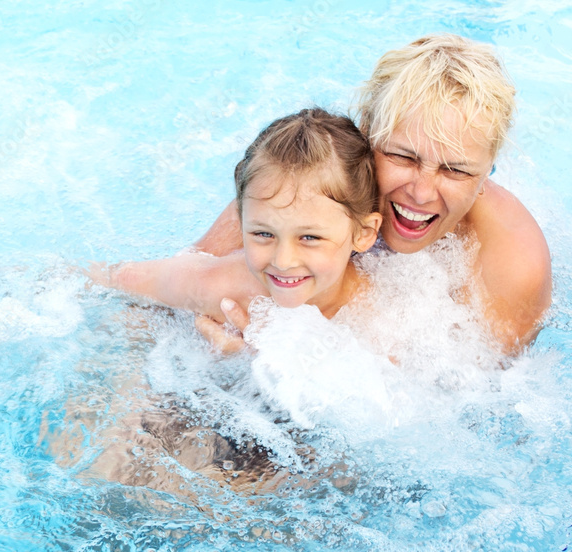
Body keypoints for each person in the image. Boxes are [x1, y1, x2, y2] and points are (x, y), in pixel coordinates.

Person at [192, 34, 551, 355]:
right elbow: (164, 303)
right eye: (403, 156)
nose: (421, 193)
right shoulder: (302, 185)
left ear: (488, 169)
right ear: (366, 130)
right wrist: (219, 346)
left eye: (455, 170)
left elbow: (479, 405)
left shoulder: (512, 266)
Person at [91, 106, 383, 341]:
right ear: (241, 219)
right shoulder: (228, 288)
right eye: (263, 233)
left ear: (364, 233)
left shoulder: (376, 319)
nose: (282, 261)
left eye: (309, 238)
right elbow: (119, 280)